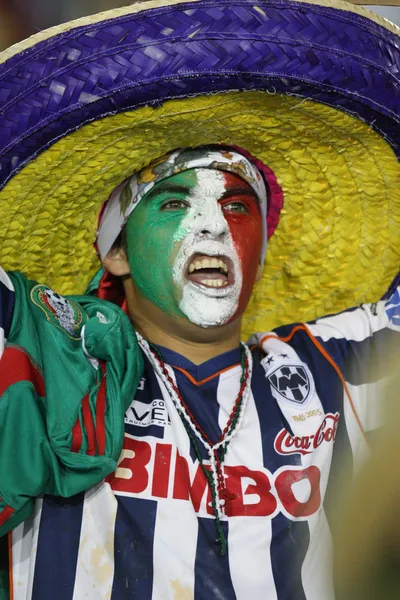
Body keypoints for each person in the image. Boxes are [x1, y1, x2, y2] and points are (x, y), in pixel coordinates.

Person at [0, 1, 399, 598]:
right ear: (117, 254)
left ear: (261, 250)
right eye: (174, 203)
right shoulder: (47, 348)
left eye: (238, 205)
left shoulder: (341, 363)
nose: (213, 227)